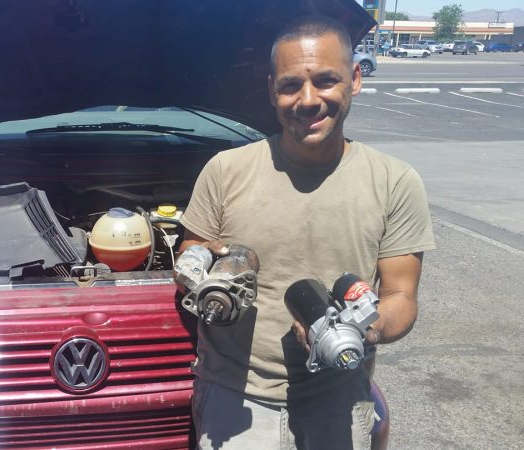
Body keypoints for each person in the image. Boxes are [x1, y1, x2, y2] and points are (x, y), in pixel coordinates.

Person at [177, 15, 435, 449]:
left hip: (337, 400)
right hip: (235, 401)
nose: (308, 100)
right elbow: (190, 251)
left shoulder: (394, 181)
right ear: (271, 90)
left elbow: (400, 297)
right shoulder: (225, 170)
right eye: (291, 84)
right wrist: (205, 266)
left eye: (326, 80)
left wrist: (361, 331)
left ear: (355, 79)